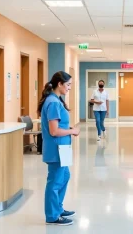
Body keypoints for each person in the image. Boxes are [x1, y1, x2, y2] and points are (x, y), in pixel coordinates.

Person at [37, 71, 80, 226]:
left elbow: (57, 124)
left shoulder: (56, 100)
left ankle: (58, 208)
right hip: (57, 149)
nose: (69, 88)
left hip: (63, 148)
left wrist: (67, 127)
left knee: (65, 176)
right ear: (60, 84)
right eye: (68, 85)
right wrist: (72, 131)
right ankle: (52, 215)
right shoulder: (53, 102)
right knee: (55, 181)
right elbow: (54, 131)